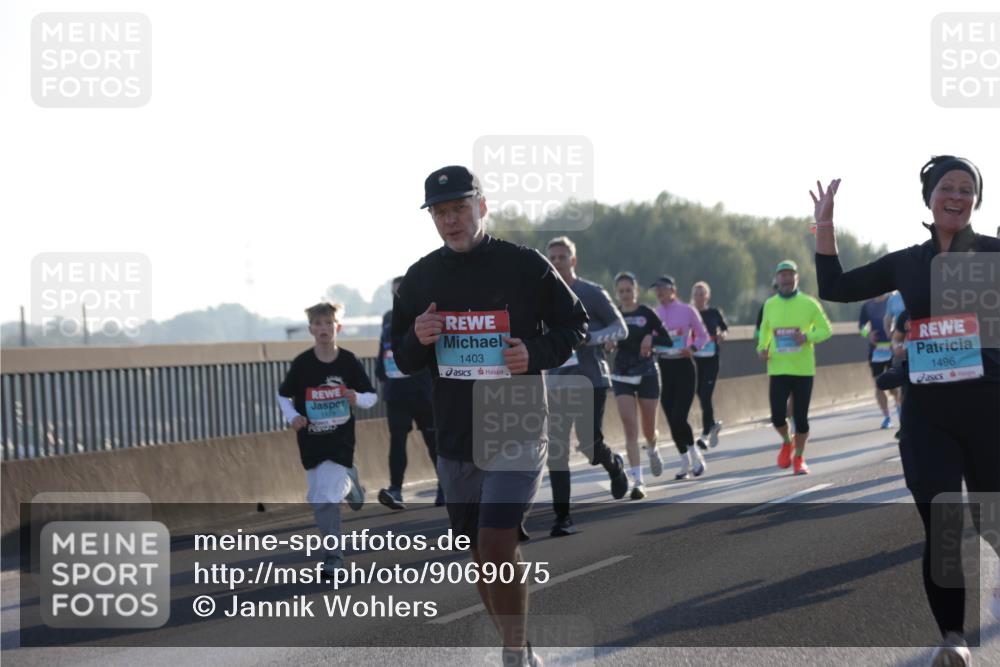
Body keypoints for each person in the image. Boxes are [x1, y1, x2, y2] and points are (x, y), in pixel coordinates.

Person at [392, 165, 587, 667]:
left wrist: (536, 352)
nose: (451, 220)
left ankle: (511, 655)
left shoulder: (524, 264)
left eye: (459, 208)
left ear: (481, 206)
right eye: (440, 212)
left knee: (497, 543)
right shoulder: (420, 277)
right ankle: (518, 642)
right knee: (480, 557)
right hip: (456, 432)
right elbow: (404, 358)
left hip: (516, 420)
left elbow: (575, 325)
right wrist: (420, 336)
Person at [811, 156, 999, 667]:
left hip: (991, 409)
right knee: (943, 524)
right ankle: (954, 638)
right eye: (947, 187)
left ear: (976, 200)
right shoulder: (907, 262)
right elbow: (836, 288)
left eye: (967, 188)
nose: (957, 196)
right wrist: (824, 227)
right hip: (928, 413)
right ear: (930, 197)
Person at [276, 302, 377, 575]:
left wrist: (356, 397)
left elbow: (371, 396)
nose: (323, 328)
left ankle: (333, 555)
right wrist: (292, 417)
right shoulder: (303, 364)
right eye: (318, 324)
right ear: (310, 329)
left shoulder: (348, 362)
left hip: (340, 439)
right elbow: (283, 394)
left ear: (338, 327)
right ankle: (350, 481)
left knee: (325, 499)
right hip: (310, 439)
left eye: (328, 323)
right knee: (317, 496)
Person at [544, 236, 629, 535]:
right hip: (555, 383)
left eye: (561, 257)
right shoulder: (540, 296)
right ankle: (562, 517)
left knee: (590, 445)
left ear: (573, 260)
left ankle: (613, 465)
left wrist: (589, 338)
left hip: (590, 379)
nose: (556, 262)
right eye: (551, 257)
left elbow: (621, 327)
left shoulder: (590, 292)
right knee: (556, 449)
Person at [756, 260, 832, 475]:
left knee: (801, 419)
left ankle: (799, 457)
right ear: (777, 279)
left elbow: (826, 330)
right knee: (777, 417)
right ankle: (786, 441)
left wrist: (807, 336)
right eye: (782, 275)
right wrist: (762, 348)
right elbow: (765, 331)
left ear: (796, 278)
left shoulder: (809, 303)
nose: (786, 278)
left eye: (790, 275)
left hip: (803, 369)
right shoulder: (770, 304)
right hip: (778, 368)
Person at [375, 276, 443, 510]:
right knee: (397, 441)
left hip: (423, 390)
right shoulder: (387, 318)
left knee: (433, 440)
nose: (397, 298)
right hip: (396, 392)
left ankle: (444, 486)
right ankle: (395, 489)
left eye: (401, 293)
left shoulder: (424, 317)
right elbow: (384, 350)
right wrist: (383, 377)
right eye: (394, 293)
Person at [606, 271, 673, 499]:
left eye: (629, 290)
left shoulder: (647, 313)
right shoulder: (613, 315)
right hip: (622, 374)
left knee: (648, 429)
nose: (625, 295)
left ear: (636, 291)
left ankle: (653, 448)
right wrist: (609, 344)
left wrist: (651, 339)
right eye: (621, 291)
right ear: (617, 293)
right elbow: (605, 343)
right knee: (630, 428)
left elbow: (668, 340)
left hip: (647, 373)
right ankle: (638, 481)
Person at [650, 276, 710, 480]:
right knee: (670, 418)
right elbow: (647, 339)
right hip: (664, 366)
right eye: (656, 290)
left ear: (672, 290)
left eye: (662, 289)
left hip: (684, 366)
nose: (659, 293)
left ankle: (695, 455)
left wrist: (692, 348)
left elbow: (703, 335)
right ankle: (684, 461)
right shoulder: (654, 314)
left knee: (679, 416)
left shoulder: (687, 311)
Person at [690, 281, 729, 449]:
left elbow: (725, 329)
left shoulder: (714, 313)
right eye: (696, 293)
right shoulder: (690, 313)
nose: (699, 296)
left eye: (702, 293)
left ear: (707, 296)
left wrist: (722, 334)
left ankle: (705, 434)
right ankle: (712, 424)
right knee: (700, 393)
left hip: (711, 359)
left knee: (706, 395)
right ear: (693, 296)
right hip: (695, 359)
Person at [858, 293, 902, 429]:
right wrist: (868, 334)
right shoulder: (867, 305)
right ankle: (887, 417)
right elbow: (861, 327)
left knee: (895, 387)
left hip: (893, 349)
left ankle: (900, 410)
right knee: (879, 385)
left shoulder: (894, 300)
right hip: (876, 351)